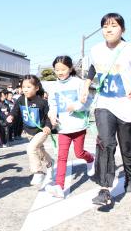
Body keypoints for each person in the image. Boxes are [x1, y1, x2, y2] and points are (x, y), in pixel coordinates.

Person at [81, 13, 131, 205]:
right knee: (105, 143)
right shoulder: (96, 50)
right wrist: (86, 84)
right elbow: (93, 69)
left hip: (128, 107)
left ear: (123, 29)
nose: (109, 29)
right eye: (105, 26)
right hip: (105, 104)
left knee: (128, 150)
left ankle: (130, 175)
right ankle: (104, 189)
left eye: (113, 26)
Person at [44, 56, 95, 198]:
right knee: (62, 157)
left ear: (70, 68)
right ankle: (59, 187)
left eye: (63, 69)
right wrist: (52, 114)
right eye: (57, 70)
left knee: (79, 153)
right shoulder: (53, 87)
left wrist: (76, 106)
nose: (60, 72)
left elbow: (88, 101)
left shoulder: (79, 83)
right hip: (63, 128)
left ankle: (91, 159)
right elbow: (52, 104)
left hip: (78, 126)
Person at [7, 75, 54, 186]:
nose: (25, 89)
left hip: (41, 131)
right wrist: (11, 116)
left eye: (29, 87)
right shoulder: (21, 99)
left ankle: (38, 172)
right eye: (23, 87)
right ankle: (50, 163)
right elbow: (15, 111)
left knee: (31, 148)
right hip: (29, 132)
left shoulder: (42, 102)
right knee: (39, 151)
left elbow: (48, 116)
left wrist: (48, 126)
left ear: (37, 88)